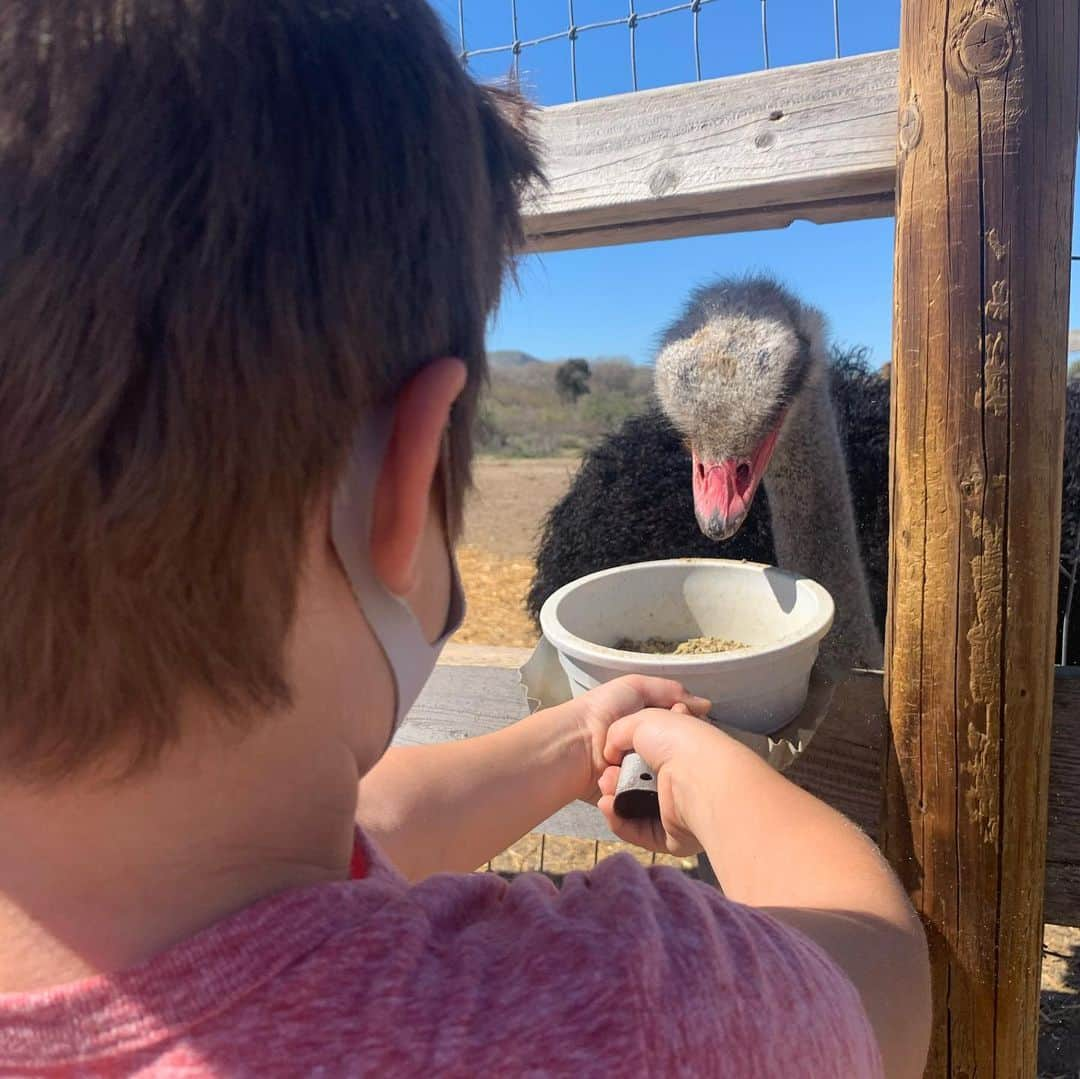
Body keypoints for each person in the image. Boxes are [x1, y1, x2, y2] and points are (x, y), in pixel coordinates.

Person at [0, 2, 930, 1076]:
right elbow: (876, 972)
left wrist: (577, 738)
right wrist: (714, 772)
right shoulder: (635, 1014)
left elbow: (365, 824)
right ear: (408, 484)